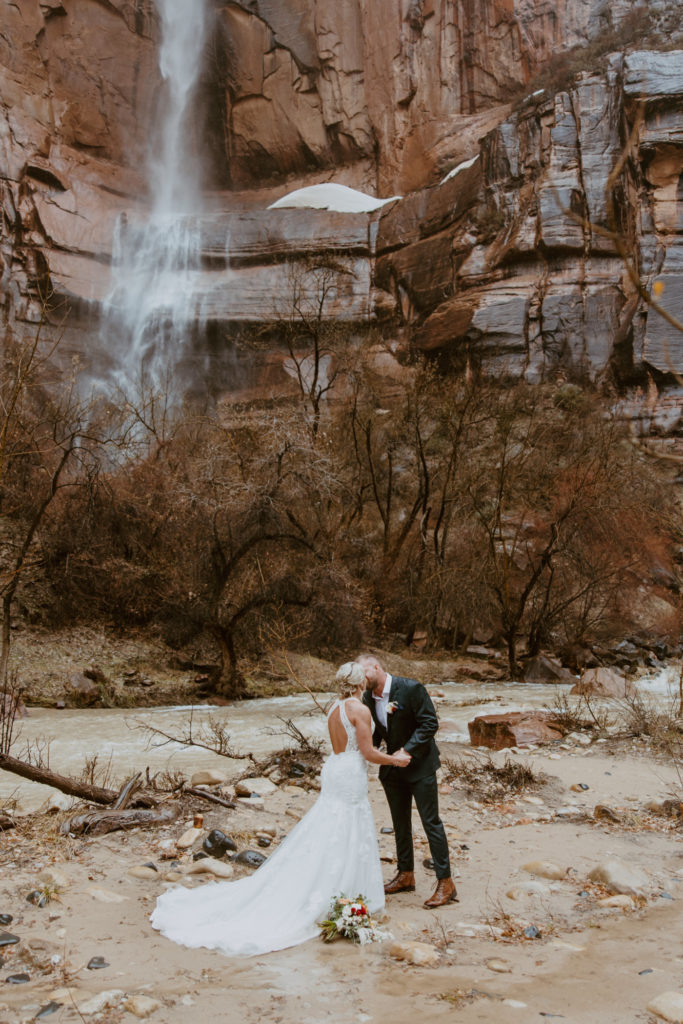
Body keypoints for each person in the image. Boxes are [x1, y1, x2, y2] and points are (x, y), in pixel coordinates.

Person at [150, 662, 410, 956]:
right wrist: (395, 760)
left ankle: (335, 885)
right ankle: (341, 890)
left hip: (336, 768)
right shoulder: (358, 709)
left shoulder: (333, 708)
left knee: (329, 826)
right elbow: (366, 752)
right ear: (359, 683)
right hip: (350, 772)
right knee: (349, 828)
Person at [357, 653, 458, 908]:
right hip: (392, 770)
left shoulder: (411, 688)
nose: (361, 678)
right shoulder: (368, 697)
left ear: (377, 667)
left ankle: (446, 883)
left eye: (364, 672)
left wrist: (408, 750)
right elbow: (381, 729)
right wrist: (375, 750)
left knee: (430, 822)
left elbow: (429, 723)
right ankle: (405, 875)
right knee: (400, 823)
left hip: (420, 765)